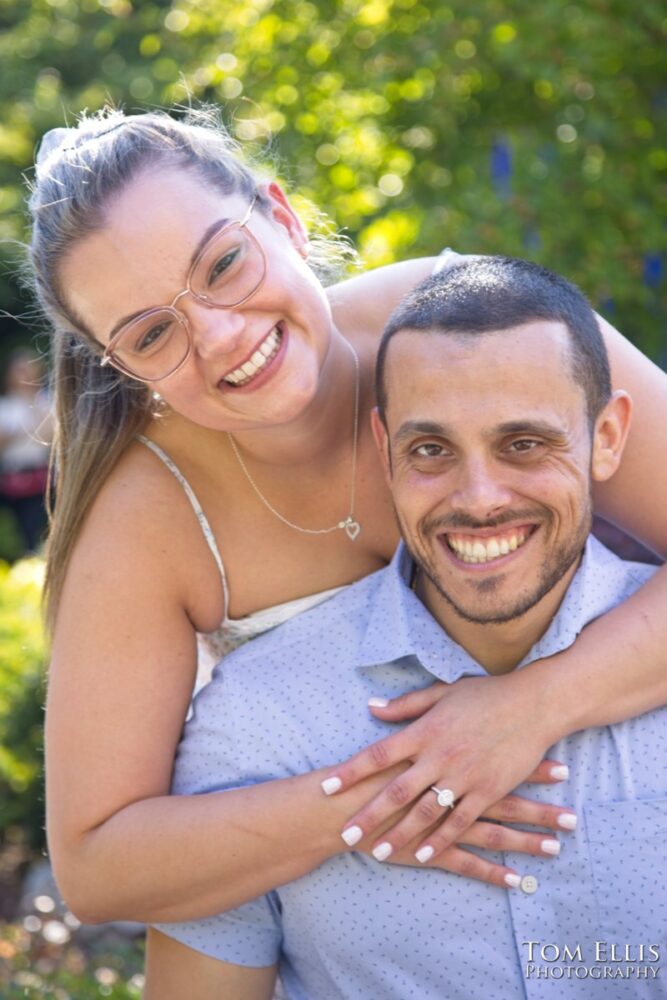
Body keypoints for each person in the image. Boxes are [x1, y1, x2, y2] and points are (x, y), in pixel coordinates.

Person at [30, 107, 667, 929]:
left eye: (224, 263)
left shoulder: (469, 321)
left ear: (284, 218)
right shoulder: (144, 523)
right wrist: (382, 799)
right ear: (122, 368)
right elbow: (96, 865)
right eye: (154, 334)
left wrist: (533, 705)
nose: (221, 337)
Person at [145, 258, 665, 999]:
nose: (478, 498)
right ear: (384, 446)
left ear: (607, 435)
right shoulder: (257, 726)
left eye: (523, 444)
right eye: (431, 450)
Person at [0, 349, 52, 553]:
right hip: (13, 479)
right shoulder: (5, 406)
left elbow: (52, 437)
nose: (26, 375)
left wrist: (34, 403)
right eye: (20, 370)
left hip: (42, 477)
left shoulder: (47, 401)